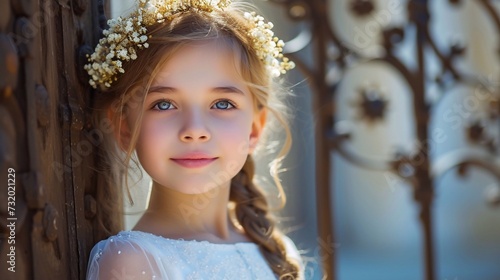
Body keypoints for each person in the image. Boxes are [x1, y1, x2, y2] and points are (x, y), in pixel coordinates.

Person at [84, 0, 302, 279]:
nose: (194, 129)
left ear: (254, 129)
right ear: (125, 127)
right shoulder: (132, 261)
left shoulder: (279, 251)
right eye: (164, 104)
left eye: (222, 104)